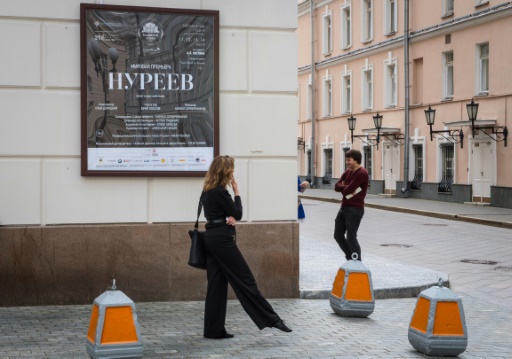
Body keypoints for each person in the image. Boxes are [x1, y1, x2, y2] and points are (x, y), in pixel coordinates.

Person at [201, 155, 292, 339]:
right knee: (246, 279)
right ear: (226, 171)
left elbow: (219, 214)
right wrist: (236, 191)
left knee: (216, 285)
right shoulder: (221, 191)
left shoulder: (207, 190)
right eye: (231, 170)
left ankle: (213, 330)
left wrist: (227, 217)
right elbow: (238, 213)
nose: (233, 174)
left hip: (211, 237)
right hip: (222, 240)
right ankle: (272, 319)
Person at [333, 149, 369, 261]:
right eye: (346, 160)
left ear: (356, 160)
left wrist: (345, 187)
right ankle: (350, 257)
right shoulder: (348, 172)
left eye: (349, 160)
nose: (347, 162)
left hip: (355, 209)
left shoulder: (362, 173)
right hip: (344, 207)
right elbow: (336, 186)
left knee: (351, 237)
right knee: (338, 235)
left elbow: (346, 191)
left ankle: (357, 262)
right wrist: (347, 187)